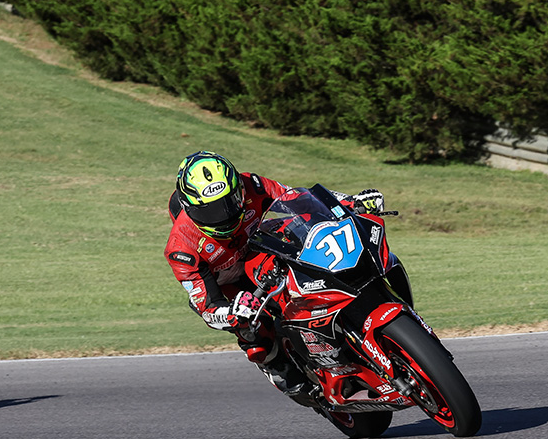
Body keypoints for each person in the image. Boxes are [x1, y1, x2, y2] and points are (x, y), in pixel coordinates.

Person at [164, 151, 385, 398]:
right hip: (228, 286)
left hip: (259, 249)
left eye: (229, 202)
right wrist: (231, 313)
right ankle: (279, 368)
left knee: (310, 253)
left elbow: (299, 198)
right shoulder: (181, 248)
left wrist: (351, 202)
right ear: (189, 208)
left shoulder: (252, 185)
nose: (224, 215)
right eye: (211, 212)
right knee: (253, 335)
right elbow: (207, 308)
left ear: (238, 189)